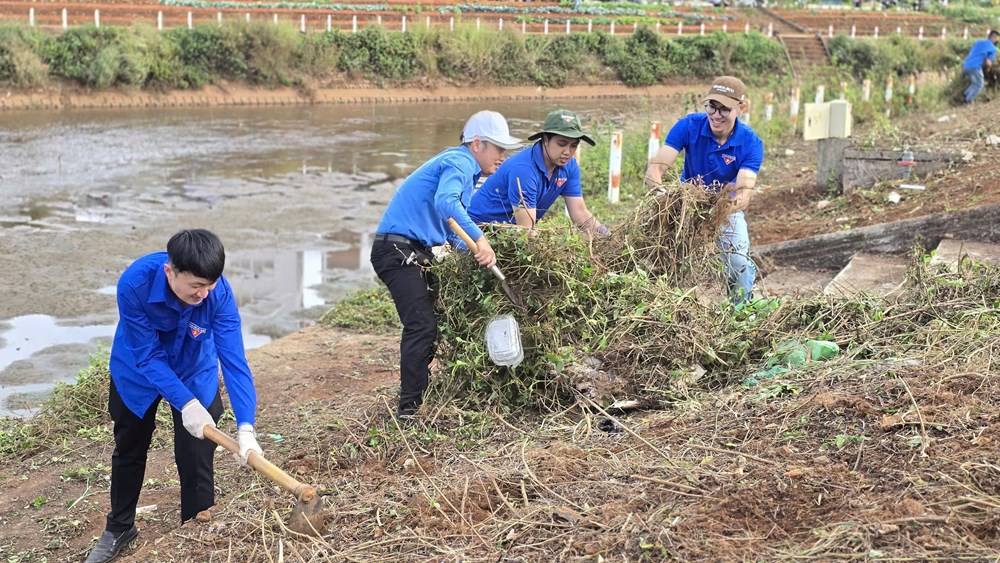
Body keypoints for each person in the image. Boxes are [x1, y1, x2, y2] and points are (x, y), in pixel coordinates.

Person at [85, 229, 262, 563]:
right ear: (171, 272)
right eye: (196, 285)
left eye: (210, 284)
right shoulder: (134, 284)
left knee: (196, 455)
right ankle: (120, 527)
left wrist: (246, 427)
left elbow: (235, 362)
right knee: (129, 448)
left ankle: (196, 531)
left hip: (194, 368)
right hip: (138, 370)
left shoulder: (217, 293)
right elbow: (148, 357)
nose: (204, 293)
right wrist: (186, 404)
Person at [371, 110, 522, 419]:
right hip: (397, 251)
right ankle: (409, 410)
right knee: (422, 325)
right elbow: (445, 204)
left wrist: (474, 256)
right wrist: (481, 239)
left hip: (415, 250)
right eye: (499, 148)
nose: (503, 156)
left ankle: (424, 393)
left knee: (435, 321)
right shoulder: (460, 161)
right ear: (477, 144)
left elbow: (451, 227)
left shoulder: (467, 175)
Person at [645, 76, 764, 305]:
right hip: (685, 203)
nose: (716, 115)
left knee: (737, 261)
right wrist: (664, 197)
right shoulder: (689, 126)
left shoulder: (750, 143)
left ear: (741, 107)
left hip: (725, 208)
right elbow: (655, 170)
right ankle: (668, 305)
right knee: (663, 255)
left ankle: (741, 310)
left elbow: (743, 195)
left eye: (724, 109)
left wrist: (720, 208)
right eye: (712, 106)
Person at [468, 109, 609, 237]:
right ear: (545, 140)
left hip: (510, 232)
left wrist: (608, 237)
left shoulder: (569, 166)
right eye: (561, 144)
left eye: (573, 145)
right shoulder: (524, 170)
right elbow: (526, 230)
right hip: (477, 230)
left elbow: (580, 213)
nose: (567, 152)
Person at [962, 29, 1000, 105]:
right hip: (975, 66)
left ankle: (965, 95)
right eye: (996, 39)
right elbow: (988, 63)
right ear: (994, 38)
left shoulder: (978, 42)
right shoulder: (992, 48)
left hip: (966, 65)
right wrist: (988, 68)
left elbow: (979, 53)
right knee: (979, 84)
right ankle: (968, 100)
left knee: (974, 83)